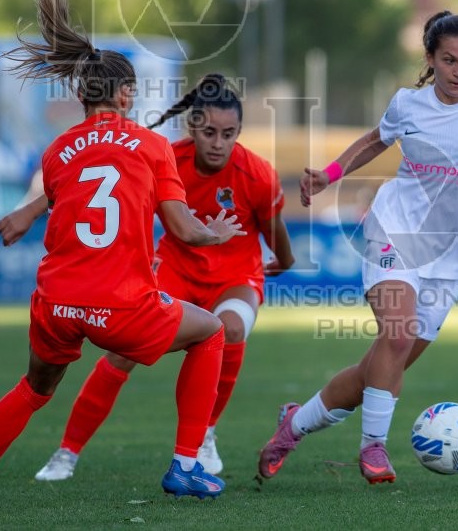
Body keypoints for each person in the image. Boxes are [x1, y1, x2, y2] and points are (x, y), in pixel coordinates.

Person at [0, 0, 244, 507]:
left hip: (57, 302)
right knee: (213, 331)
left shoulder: (57, 151)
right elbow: (182, 228)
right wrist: (214, 235)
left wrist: (26, 214)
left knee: (33, 389)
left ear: (78, 94)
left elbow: (67, 191)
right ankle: (186, 466)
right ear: (127, 95)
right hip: (121, 303)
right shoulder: (151, 146)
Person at [257, 11, 458, 484]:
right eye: (450, 61)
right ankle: (373, 449)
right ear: (430, 59)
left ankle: (292, 426)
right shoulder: (407, 105)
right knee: (397, 335)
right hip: (393, 229)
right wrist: (329, 174)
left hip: (448, 256)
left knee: (379, 368)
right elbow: (377, 140)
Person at [32, 73, 295, 482]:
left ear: (239, 132)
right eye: (209, 132)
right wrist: (29, 211)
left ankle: (205, 433)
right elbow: (80, 183)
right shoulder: (165, 157)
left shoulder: (258, 174)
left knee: (231, 330)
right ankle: (66, 453)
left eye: (229, 134)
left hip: (235, 275)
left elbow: (279, 238)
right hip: (175, 266)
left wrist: (283, 261)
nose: (218, 142)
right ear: (193, 127)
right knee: (123, 352)